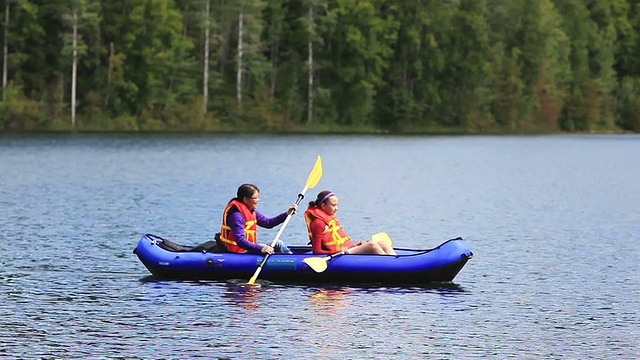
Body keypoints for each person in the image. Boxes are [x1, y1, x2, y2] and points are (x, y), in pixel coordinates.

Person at [304, 190, 396, 255]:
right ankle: (391, 266)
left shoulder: (329, 219)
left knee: (383, 243)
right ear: (323, 206)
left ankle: (396, 261)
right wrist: (337, 252)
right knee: (372, 245)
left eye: (337, 205)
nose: (337, 208)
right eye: (333, 205)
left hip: (347, 250)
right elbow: (317, 251)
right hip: (341, 254)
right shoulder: (317, 223)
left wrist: (356, 246)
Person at [219, 183, 295, 254]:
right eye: (255, 198)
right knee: (278, 244)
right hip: (240, 252)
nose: (258, 200)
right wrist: (261, 249)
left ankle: (291, 259)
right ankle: (292, 263)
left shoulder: (251, 211)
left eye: (258, 197)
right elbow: (240, 241)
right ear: (245, 199)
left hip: (249, 248)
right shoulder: (236, 216)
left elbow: (268, 223)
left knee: (278, 243)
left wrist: (286, 214)